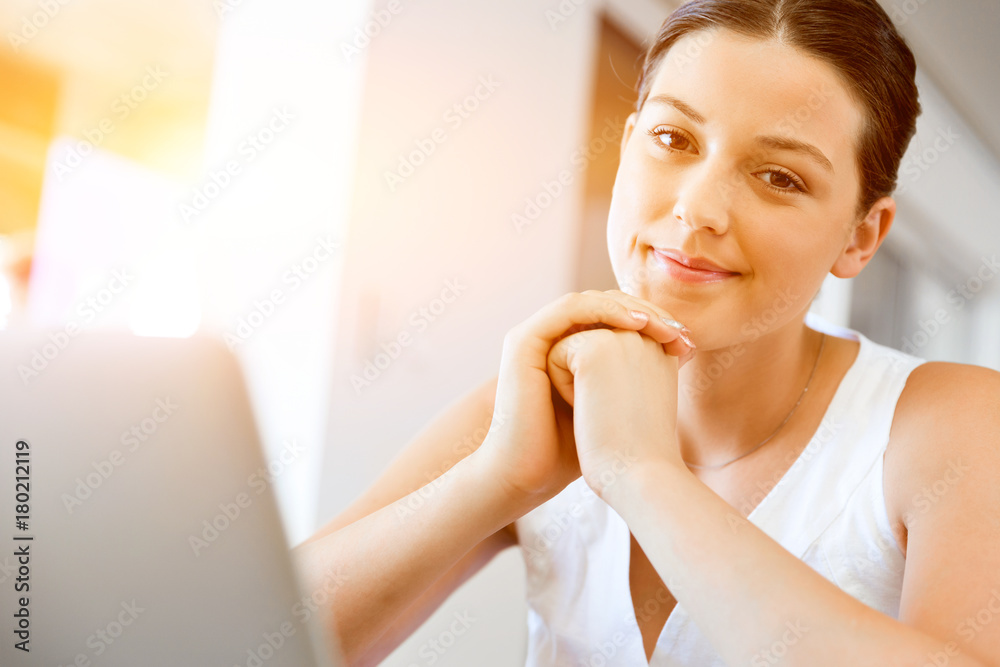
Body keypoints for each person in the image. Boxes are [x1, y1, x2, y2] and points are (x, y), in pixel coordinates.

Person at [293, 1, 1000, 665]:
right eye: (673, 138)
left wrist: (643, 476)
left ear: (861, 236)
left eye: (780, 177)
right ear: (628, 146)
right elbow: (258, 633)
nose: (698, 208)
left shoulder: (951, 423)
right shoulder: (536, 401)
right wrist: (496, 476)